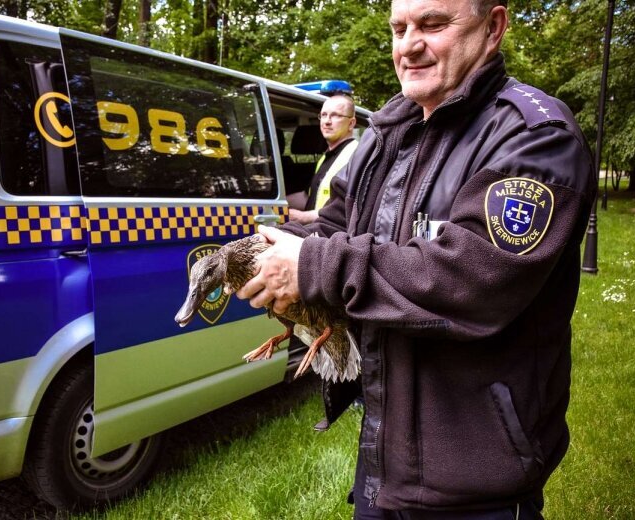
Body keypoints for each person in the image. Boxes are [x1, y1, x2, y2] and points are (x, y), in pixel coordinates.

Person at [236, 0, 596, 518]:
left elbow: (470, 281)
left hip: (477, 480)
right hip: (385, 459)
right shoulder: (387, 134)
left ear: (493, 27)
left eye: (433, 24)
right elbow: (336, 224)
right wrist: (266, 253)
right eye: (399, 28)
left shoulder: (534, 137)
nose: (409, 44)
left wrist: (315, 268)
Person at [287, 93, 358, 225]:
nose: (327, 121)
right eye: (324, 115)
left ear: (351, 123)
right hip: (317, 232)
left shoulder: (357, 155)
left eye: (336, 115)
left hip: (334, 236)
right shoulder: (326, 157)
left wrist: (304, 217)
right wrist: (278, 202)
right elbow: (309, 197)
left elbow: (351, 206)